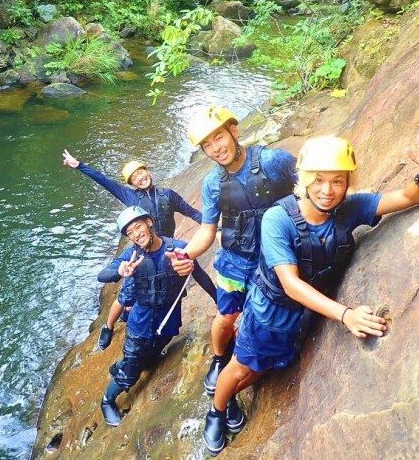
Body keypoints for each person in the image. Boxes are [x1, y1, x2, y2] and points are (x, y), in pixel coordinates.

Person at [202, 134, 419, 455]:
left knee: (267, 366)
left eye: (337, 181)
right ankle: (218, 410)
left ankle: (229, 396)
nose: (327, 190)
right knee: (243, 367)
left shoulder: (349, 208)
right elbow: (290, 284)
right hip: (270, 311)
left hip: (305, 313)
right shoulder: (278, 220)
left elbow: (405, 197)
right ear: (303, 179)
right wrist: (346, 315)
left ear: (348, 182)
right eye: (318, 180)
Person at [178, 106, 297, 395]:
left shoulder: (273, 161)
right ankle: (219, 359)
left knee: (262, 318)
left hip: (273, 261)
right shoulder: (212, 184)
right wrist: (186, 255)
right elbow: (207, 231)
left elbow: (308, 187)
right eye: (207, 145)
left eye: (218, 138)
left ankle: (246, 366)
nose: (215, 149)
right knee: (226, 316)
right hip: (235, 260)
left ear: (234, 130)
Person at [62, 150, 203, 350]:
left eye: (141, 172)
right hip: (141, 253)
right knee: (127, 293)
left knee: (166, 290)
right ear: (131, 184)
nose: (140, 177)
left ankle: (154, 332)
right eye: (134, 177)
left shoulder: (167, 195)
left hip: (164, 249)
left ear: (148, 171)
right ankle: (108, 326)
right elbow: (104, 181)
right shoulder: (129, 196)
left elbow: (190, 211)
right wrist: (79, 165)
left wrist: (211, 224)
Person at [97, 206, 217, 426]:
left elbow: (200, 276)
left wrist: (220, 302)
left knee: (150, 358)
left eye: (138, 226)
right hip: (141, 323)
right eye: (130, 233)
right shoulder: (130, 256)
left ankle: (125, 363)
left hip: (167, 318)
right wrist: (120, 270)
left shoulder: (177, 248)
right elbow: (102, 275)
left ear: (150, 222)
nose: (136, 234)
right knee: (132, 372)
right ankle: (107, 400)